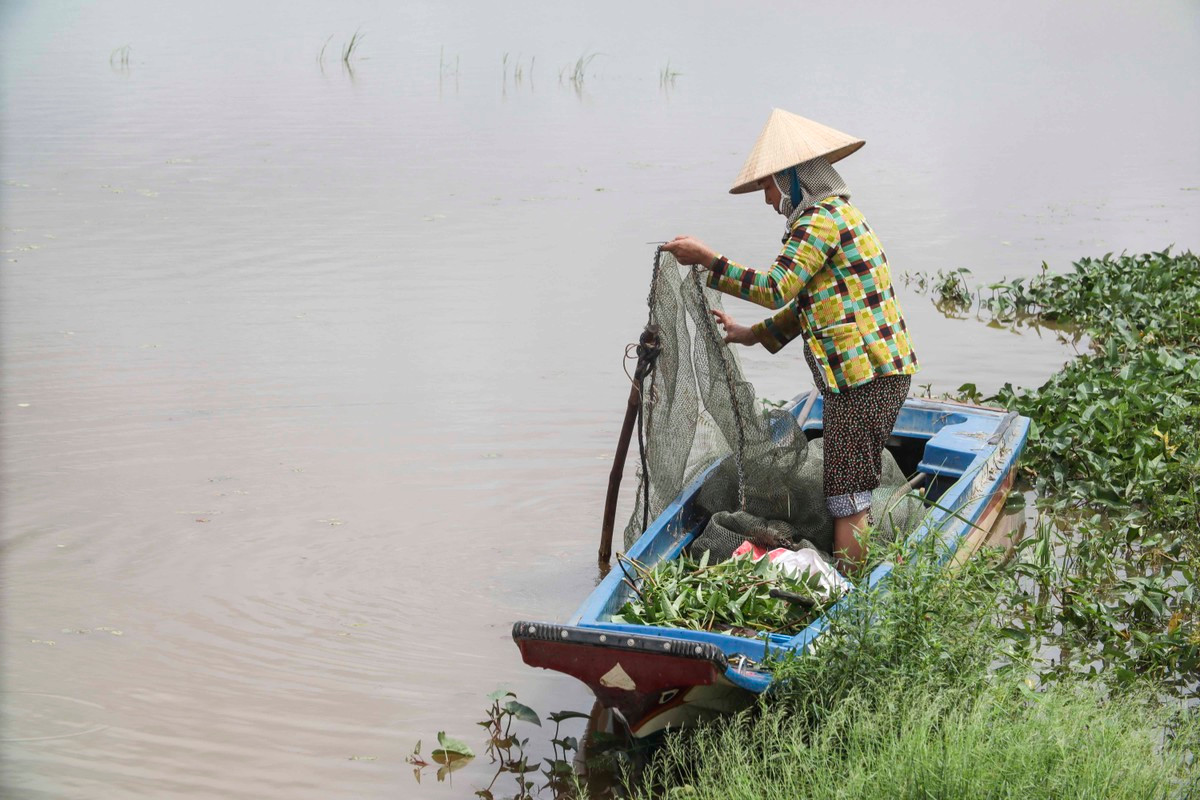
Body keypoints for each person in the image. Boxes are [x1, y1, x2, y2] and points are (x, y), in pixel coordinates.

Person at [662, 108, 919, 572]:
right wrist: (751, 334)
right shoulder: (839, 216)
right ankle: (850, 582)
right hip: (879, 373)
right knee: (849, 486)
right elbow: (813, 305)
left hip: (863, 377)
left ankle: (847, 595)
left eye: (767, 185)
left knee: (847, 494)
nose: (766, 198)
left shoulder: (819, 220)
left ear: (792, 178)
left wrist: (710, 261)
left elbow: (778, 286)